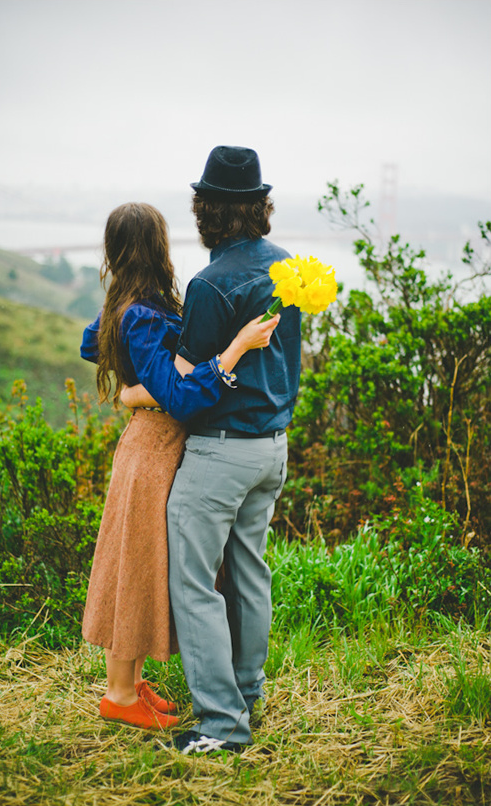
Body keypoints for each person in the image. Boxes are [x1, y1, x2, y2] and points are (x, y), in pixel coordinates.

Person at [80, 201, 279, 731]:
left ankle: (130, 684)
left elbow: (89, 342)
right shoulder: (141, 313)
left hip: (157, 449)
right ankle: (119, 695)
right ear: (158, 246)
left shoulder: (138, 304)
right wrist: (232, 351)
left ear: (116, 252)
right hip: (152, 451)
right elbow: (182, 398)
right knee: (135, 568)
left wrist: (131, 388)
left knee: (144, 565)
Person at [164, 145, 301, 753]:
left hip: (221, 452)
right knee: (249, 573)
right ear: (259, 207)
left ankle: (220, 725)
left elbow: (186, 386)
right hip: (274, 446)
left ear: (207, 211)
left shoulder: (211, 284)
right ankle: (248, 695)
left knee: (193, 581)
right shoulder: (289, 268)